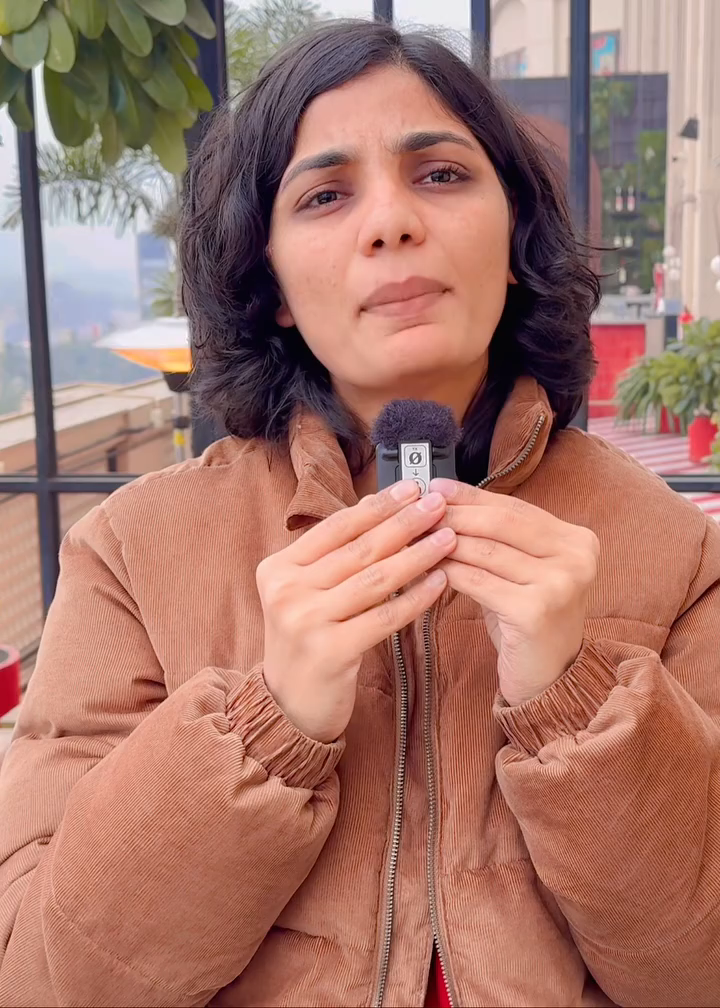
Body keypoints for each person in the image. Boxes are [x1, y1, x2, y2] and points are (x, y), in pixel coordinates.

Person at [1, 19, 719, 1008]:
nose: (390, 221)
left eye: (441, 174)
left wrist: (578, 702)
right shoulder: (129, 552)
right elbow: (44, 980)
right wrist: (266, 725)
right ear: (274, 285)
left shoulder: (674, 549)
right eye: (326, 195)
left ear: (515, 240)